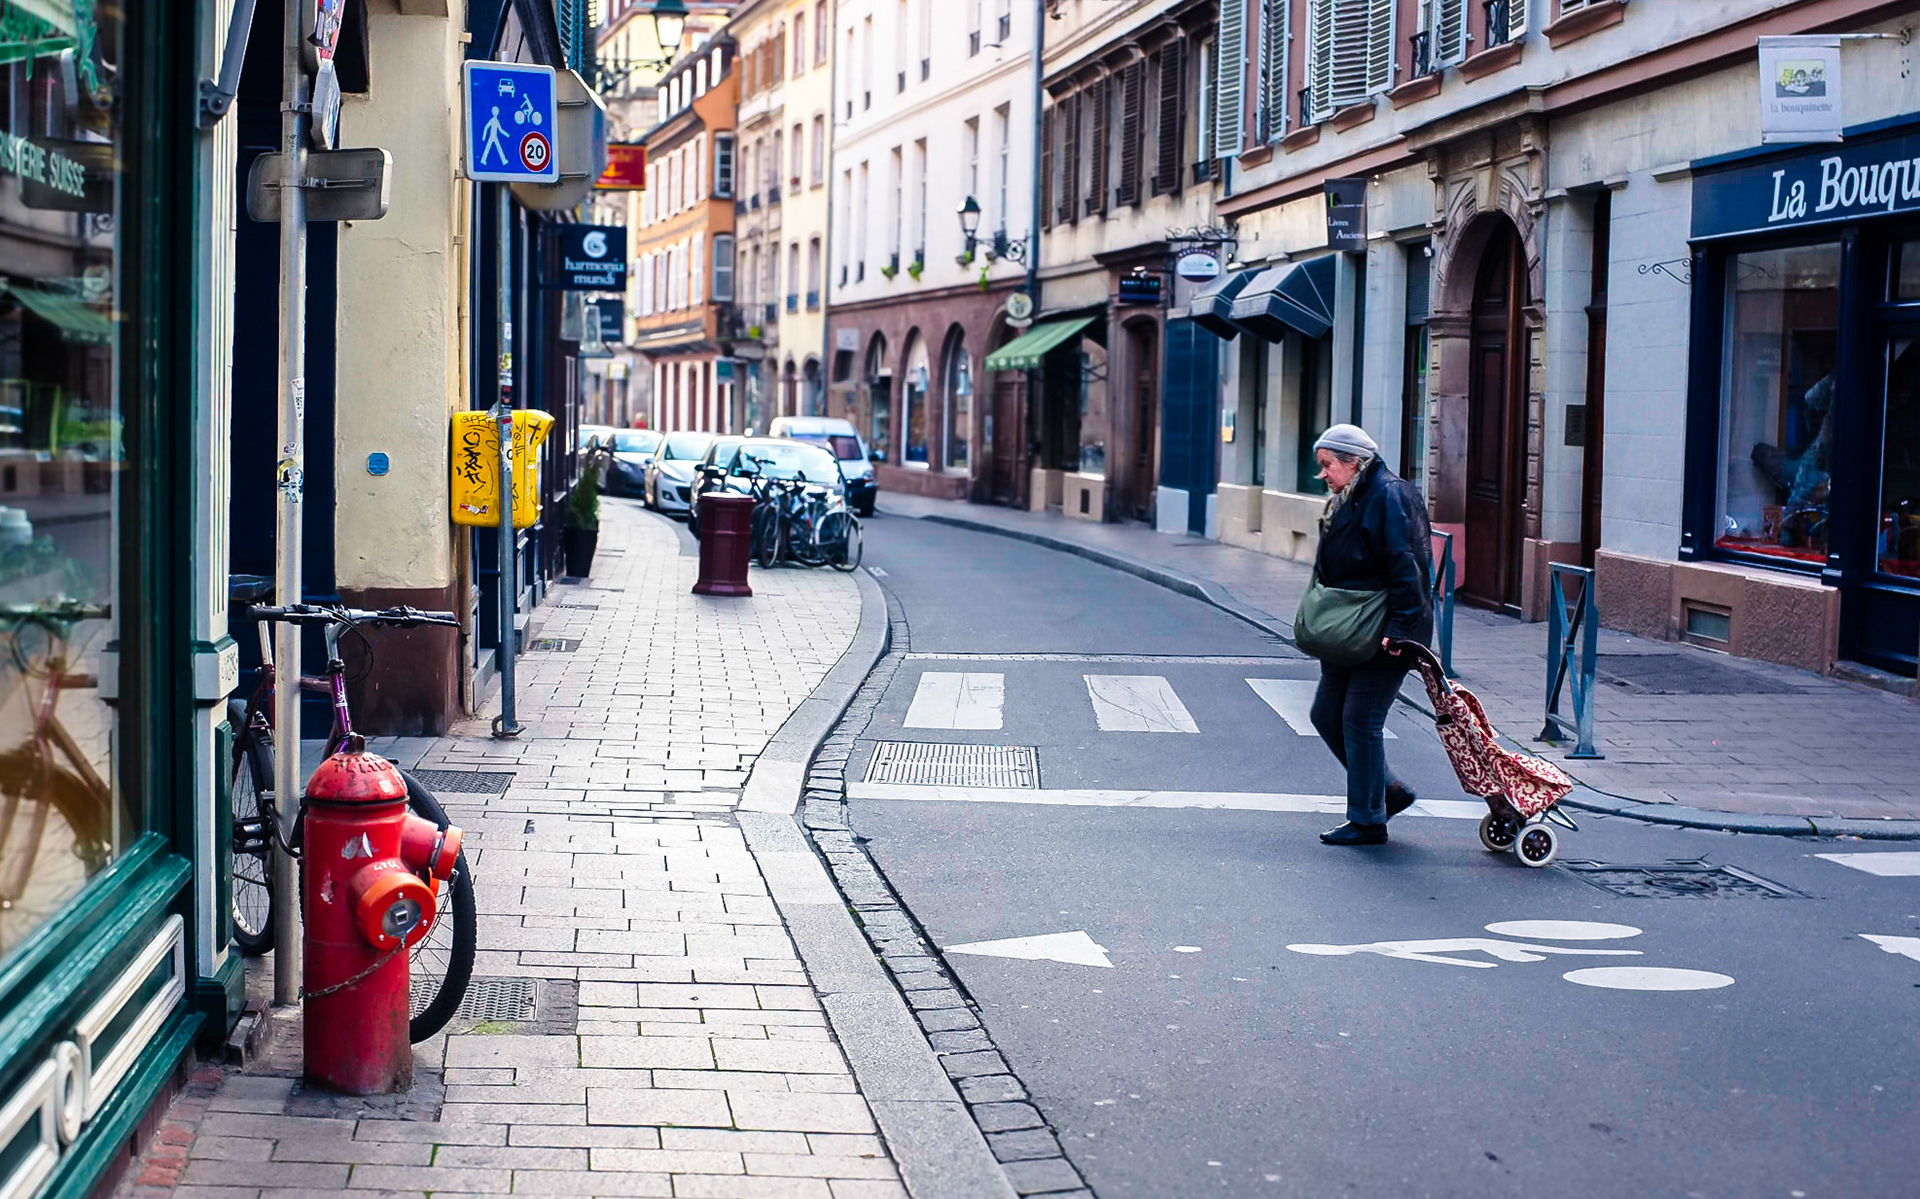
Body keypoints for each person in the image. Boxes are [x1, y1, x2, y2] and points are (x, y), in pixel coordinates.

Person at [1303, 424, 1434, 846]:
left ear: (1353, 462)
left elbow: (1407, 567)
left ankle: (1367, 819)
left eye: (1327, 466)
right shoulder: (1355, 494)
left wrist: (1401, 630)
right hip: (1348, 628)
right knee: (1326, 714)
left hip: (1381, 631)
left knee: (1360, 720)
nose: (1323, 475)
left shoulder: (1390, 496)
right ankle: (1388, 792)